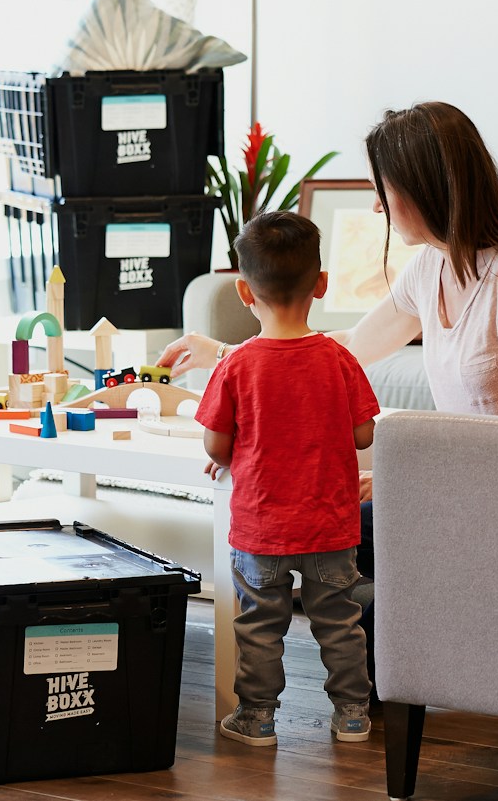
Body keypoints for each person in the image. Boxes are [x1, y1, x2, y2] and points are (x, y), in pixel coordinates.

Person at [160, 101, 498, 691]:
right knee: (308, 535)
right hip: (457, 491)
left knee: (347, 573)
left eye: (383, 189)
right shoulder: (430, 270)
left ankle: (422, 659)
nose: (376, 206)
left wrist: (403, 476)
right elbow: (345, 350)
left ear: (426, 186)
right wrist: (231, 355)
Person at [195, 210, 379, 747]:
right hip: (331, 527)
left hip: (262, 530)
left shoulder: (236, 365)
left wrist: (231, 452)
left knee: (259, 626)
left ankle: (257, 718)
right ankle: (351, 714)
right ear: (321, 285)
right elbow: (364, 435)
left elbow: (215, 445)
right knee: (340, 622)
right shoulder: (339, 360)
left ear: (242, 292)